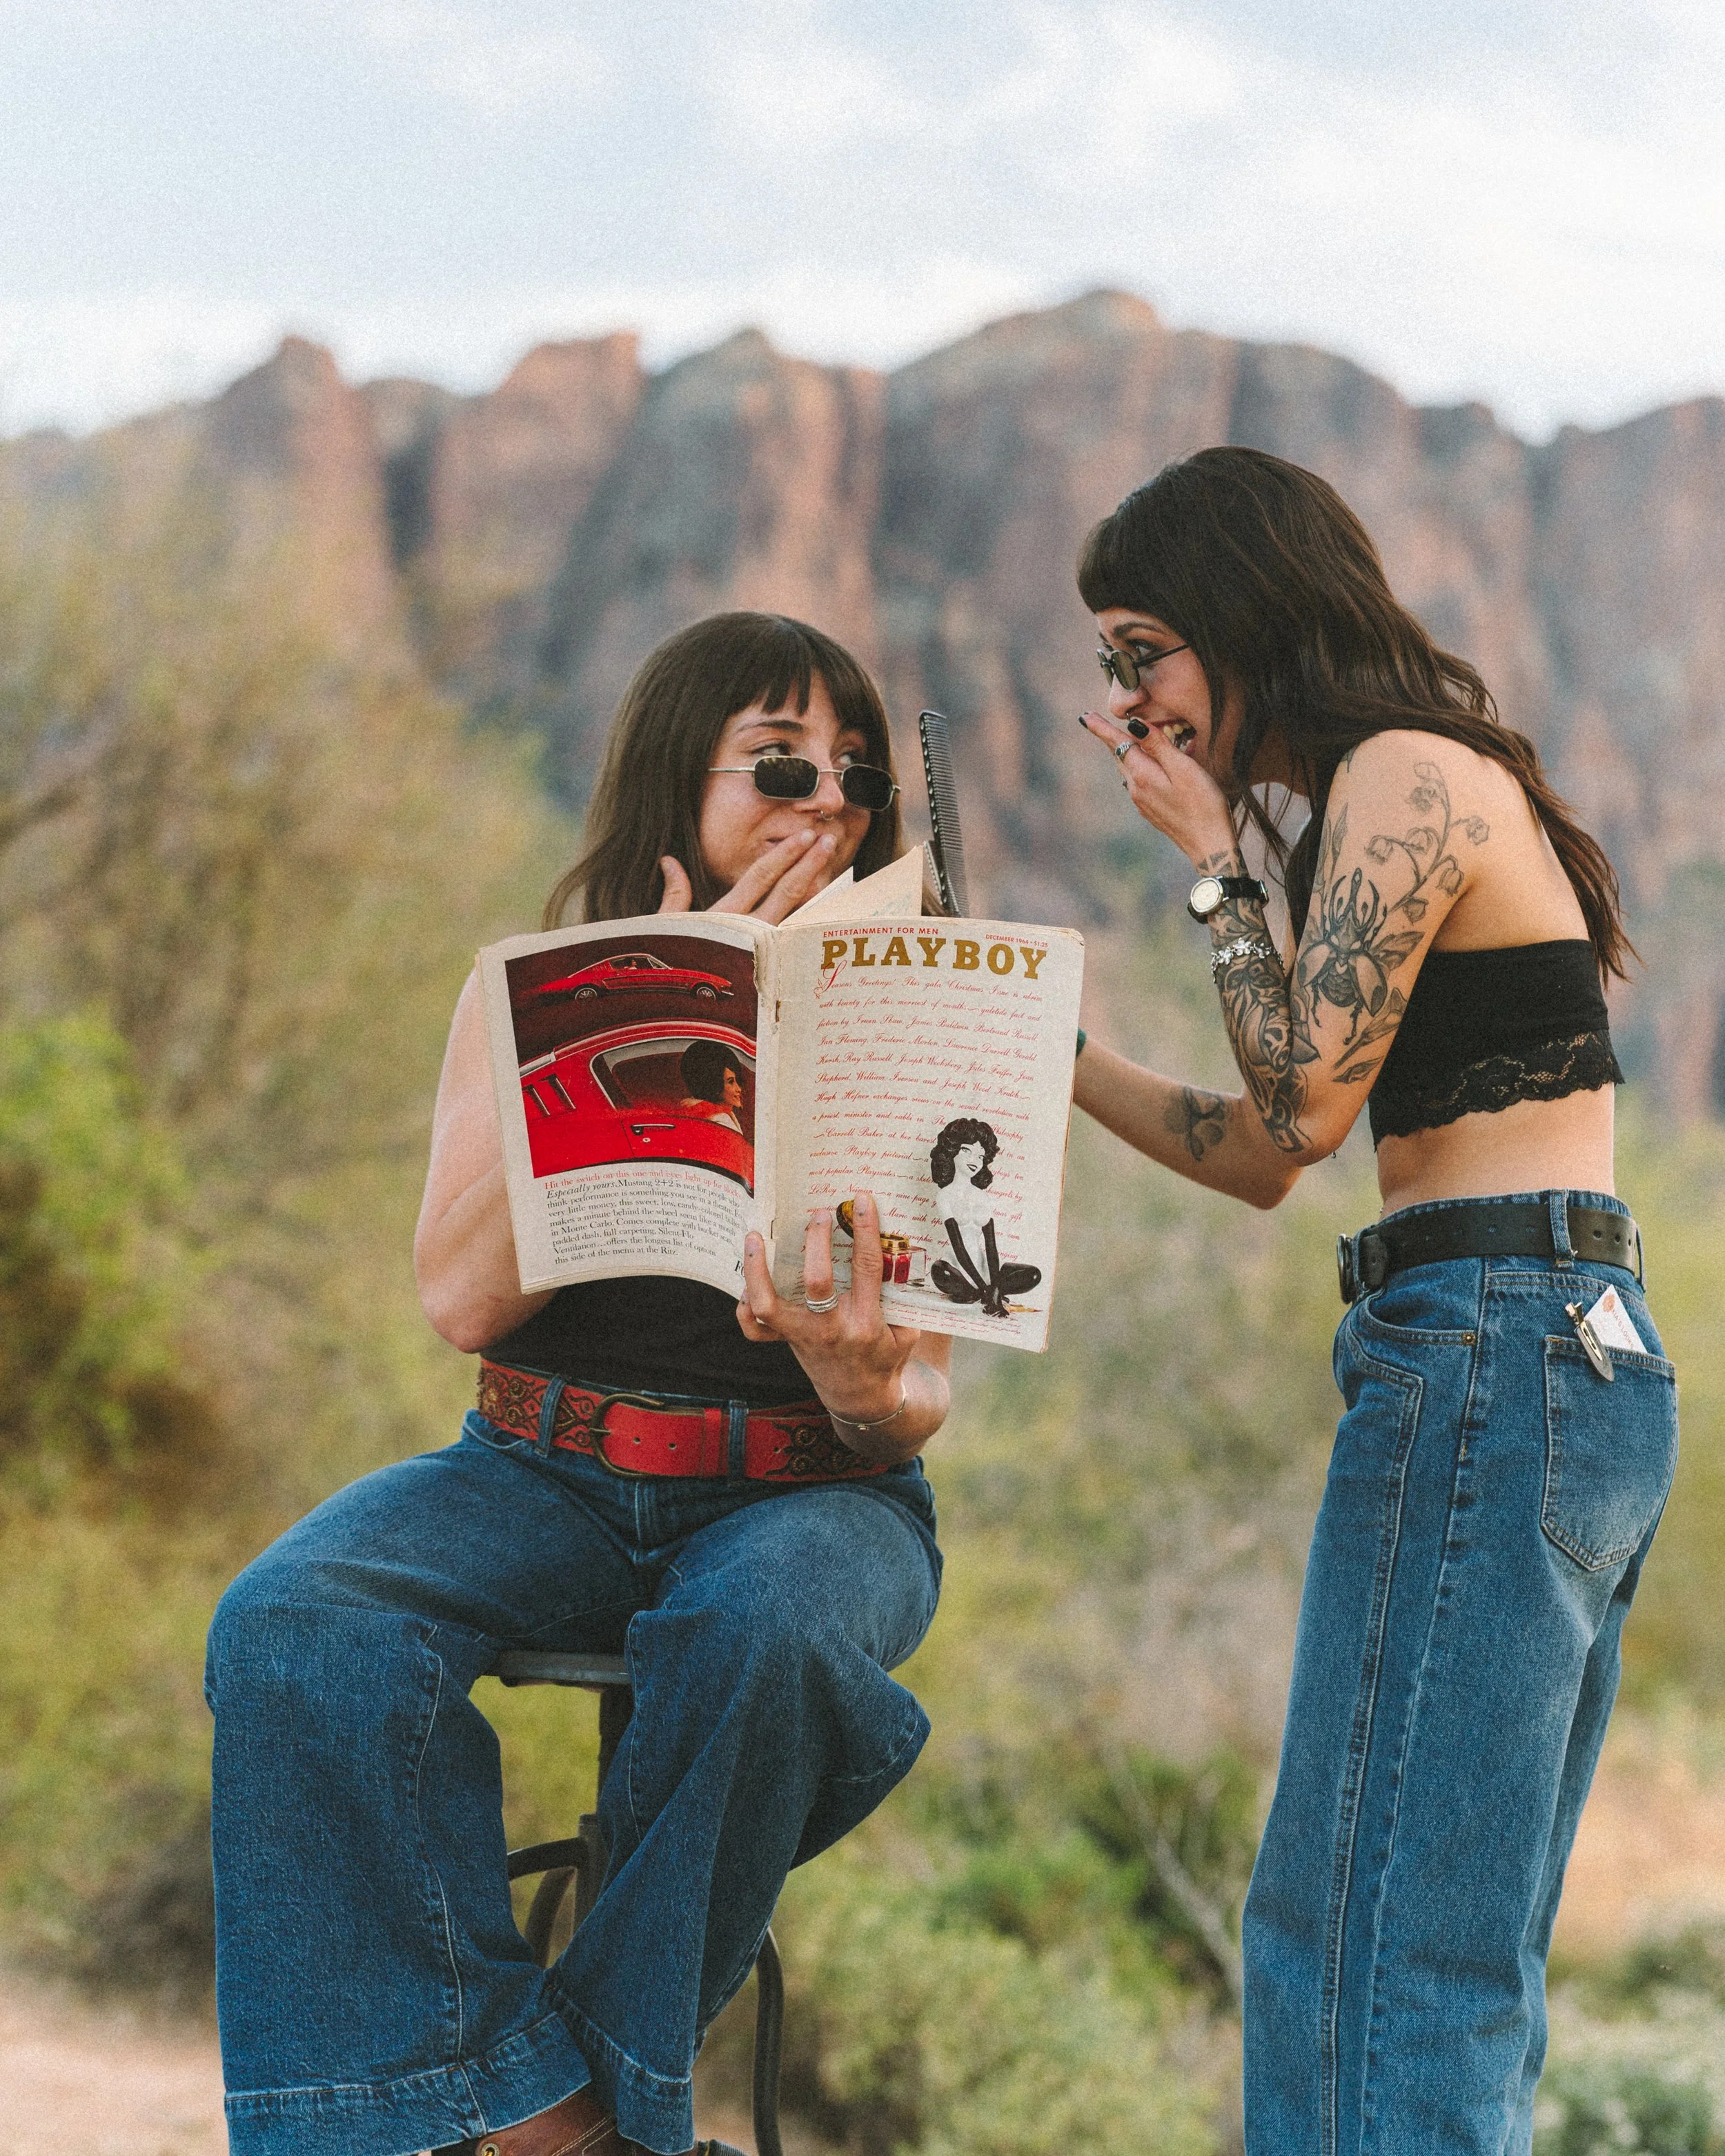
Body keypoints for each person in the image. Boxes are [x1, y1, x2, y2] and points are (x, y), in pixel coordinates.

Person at [204, 612, 952, 2156]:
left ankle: (582, 2110)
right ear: (675, 773)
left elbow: (911, 1402)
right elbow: (461, 1295)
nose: (826, 802)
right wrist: (660, 1023)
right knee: (293, 1622)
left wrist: (847, 1363)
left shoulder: (909, 1022)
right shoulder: (517, 984)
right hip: (533, 1463)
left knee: (770, 1626)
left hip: (813, 1486)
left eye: (857, 774)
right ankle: (545, 2109)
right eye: (781, 763)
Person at [1071, 448, 1677, 2153]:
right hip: (1548, 1349)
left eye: (1143, 652)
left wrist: (1209, 862)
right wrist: (1053, 1054)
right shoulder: (1404, 788)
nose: (1128, 701)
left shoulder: (1407, 776)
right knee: (1431, 1944)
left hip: (1491, 1344)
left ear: (1244, 613)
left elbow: (1301, 1106)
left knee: (1362, 1940)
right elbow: (1263, 1153)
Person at [926, 1116, 1043, 1317]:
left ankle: (983, 1294)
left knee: (1033, 1275)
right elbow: (958, 1246)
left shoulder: (983, 1197)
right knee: (939, 1272)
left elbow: (991, 1246)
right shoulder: (945, 1195)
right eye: (967, 1151)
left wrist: (994, 1285)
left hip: (984, 1267)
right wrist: (985, 1288)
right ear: (952, 1151)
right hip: (957, 1267)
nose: (974, 1161)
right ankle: (978, 1293)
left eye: (980, 1156)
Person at [678, 1040, 747, 1133]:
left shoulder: (694, 1110)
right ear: (714, 1085)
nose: (739, 1089)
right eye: (731, 1082)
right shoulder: (720, 1120)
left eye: (737, 1081)